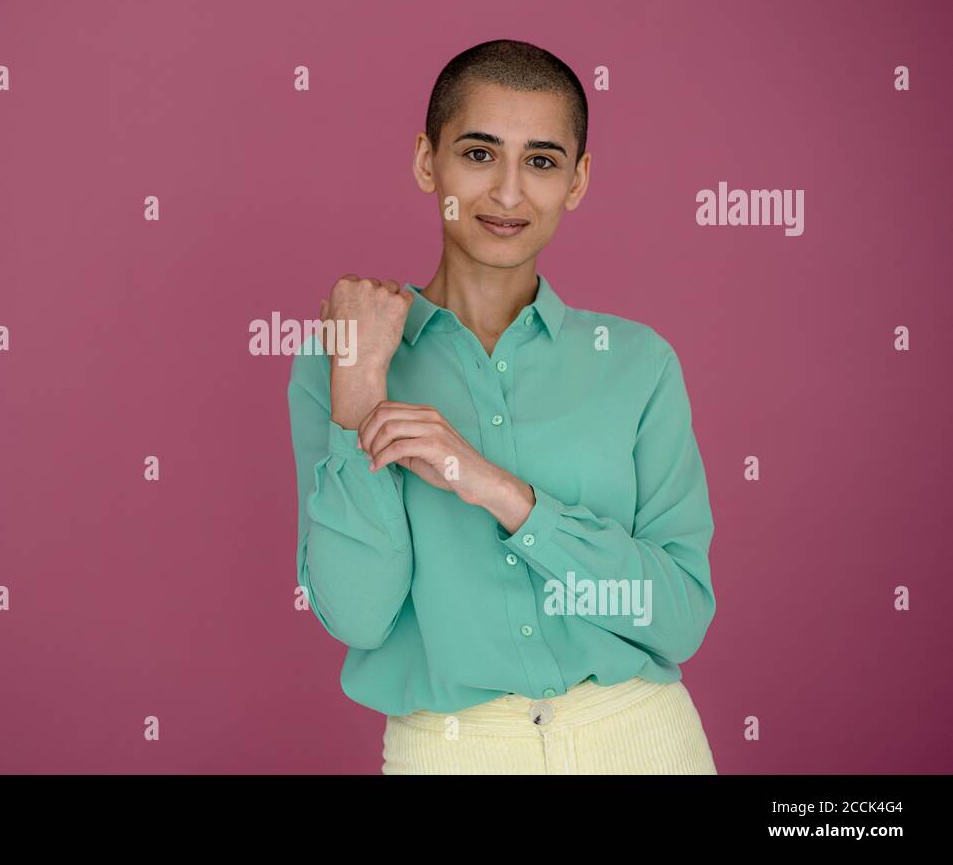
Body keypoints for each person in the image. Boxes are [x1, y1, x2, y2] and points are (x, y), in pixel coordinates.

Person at [287, 39, 718, 774]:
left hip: (643, 743)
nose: (509, 193)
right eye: (480, 154)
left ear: (578, 181)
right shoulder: (340, 361)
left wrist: (499, 491)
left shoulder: (639, 363)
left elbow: (676, 619)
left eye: (542, 161)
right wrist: (359, 390)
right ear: (429, 161)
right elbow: (359, 613)